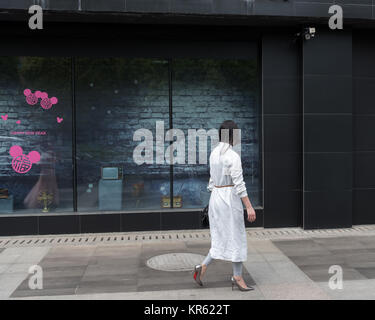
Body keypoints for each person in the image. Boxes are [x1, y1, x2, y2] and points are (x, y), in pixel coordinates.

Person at [193, 120, 256, 291]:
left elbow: (211, 181)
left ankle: (202, 267)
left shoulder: (214, 153)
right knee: (237, 237)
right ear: (232, 135)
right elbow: (239, 184)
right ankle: (237, 276)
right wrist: (249, 206)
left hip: (216, 197)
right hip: (229, 198)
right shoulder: (233, 156)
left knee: (220, 237)